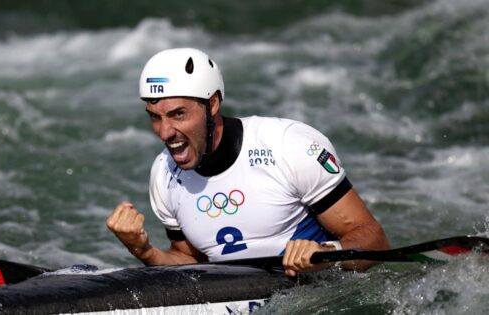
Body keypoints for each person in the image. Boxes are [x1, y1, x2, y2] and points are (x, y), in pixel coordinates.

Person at [107, 48, 390, 276]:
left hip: (323, 293)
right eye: (155, 117)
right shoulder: (163, 173)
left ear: (213, 104)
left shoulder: (287, 146)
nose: (165, 132)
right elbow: (189, 263)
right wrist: (144, 251)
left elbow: (374, 240)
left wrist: (326, 254)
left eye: (178, 114)